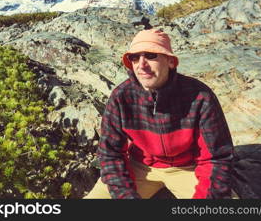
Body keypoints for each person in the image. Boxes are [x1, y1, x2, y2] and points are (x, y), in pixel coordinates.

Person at [84, 28, 234, 199]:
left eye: (150, 55)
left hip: (186, 168)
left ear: (170, 61)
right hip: (140, 166)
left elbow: (217, 158)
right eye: (134, 57)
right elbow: (110, 154)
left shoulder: (200, 96)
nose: (141, 65)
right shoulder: (121, 97)